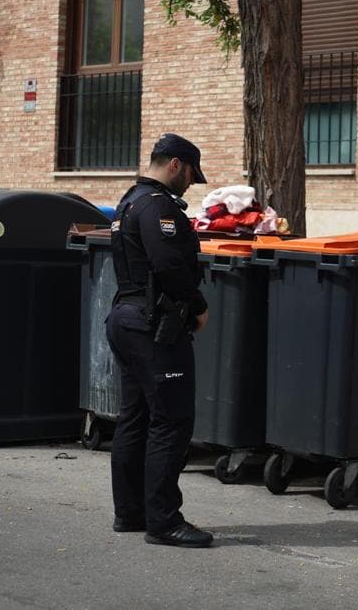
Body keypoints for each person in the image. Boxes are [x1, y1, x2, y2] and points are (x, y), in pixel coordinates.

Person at [106, 133, 212, 548]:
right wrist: (198, 304)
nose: (189, 183)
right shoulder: (157, 206)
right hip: (152, 325)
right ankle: (164, 521)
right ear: (175, 165)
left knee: (136, 418)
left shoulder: (129, 200)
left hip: (128, 319)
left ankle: (130, 513)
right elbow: (167, 263)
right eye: (189, 174)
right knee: (171, 421)